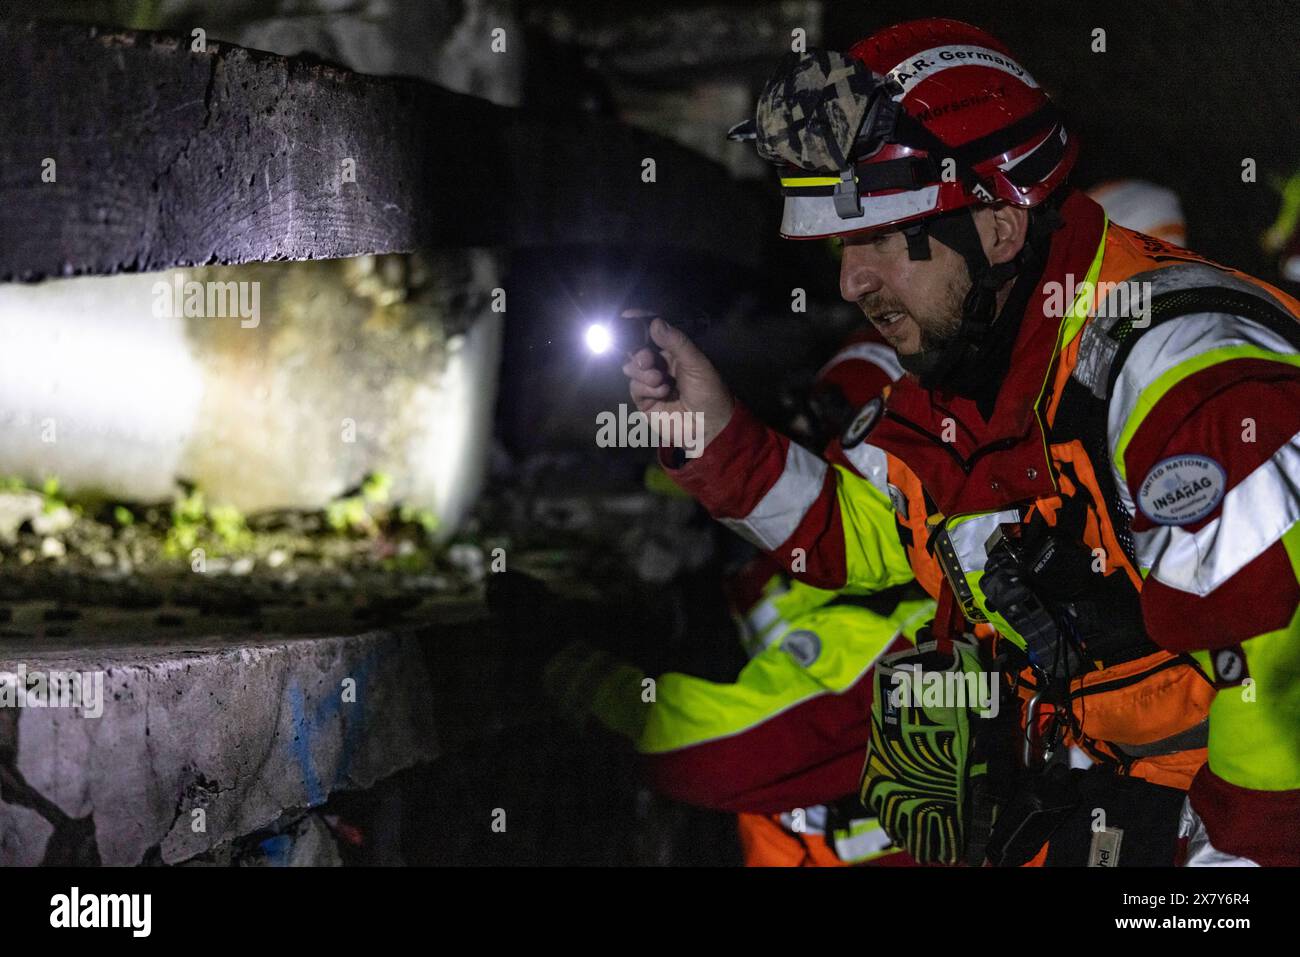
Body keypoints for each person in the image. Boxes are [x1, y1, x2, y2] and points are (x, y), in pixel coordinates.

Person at [623, 18, 1300, 865]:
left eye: (880, 239)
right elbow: (865, 528)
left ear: (1001, 228)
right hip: (1110, 791)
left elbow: (1279, 680)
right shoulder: (975, 369)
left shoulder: (1178, 376)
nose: (850, 280)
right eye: (843, 242)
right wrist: (721, 438)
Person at [518, 334, 933, 866]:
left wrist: (559, 662)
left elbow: (703, 751)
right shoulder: (794, 576)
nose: (804, 444)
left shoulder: (913, 647)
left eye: (836, 438)